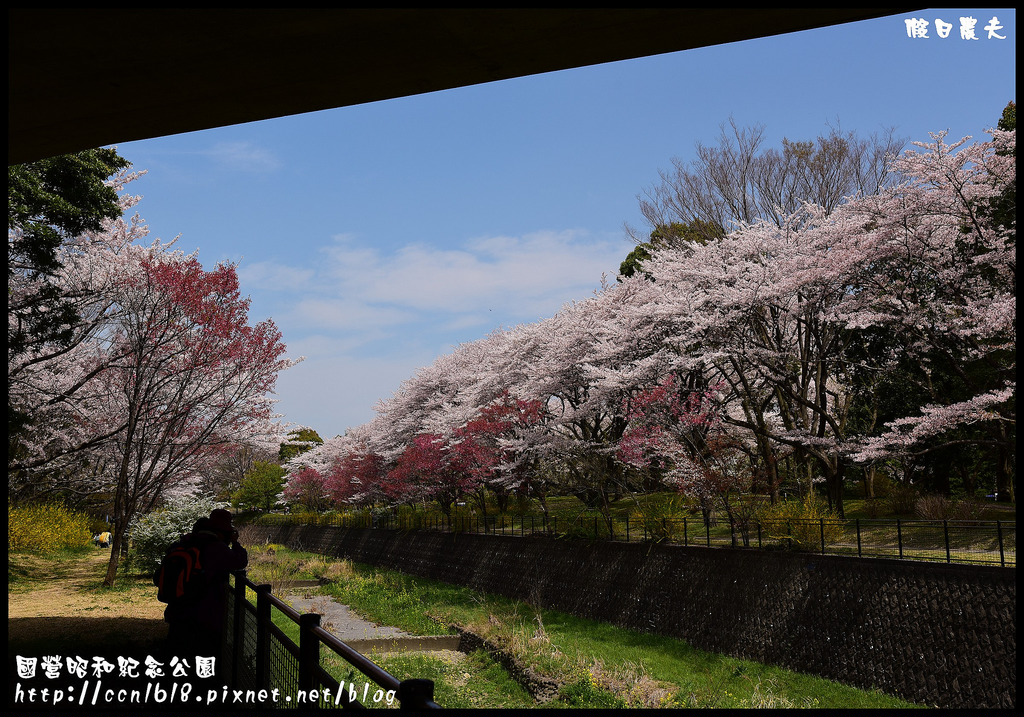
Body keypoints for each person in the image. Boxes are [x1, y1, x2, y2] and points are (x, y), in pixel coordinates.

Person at [164, 509, 248, 661]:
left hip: (177, 609)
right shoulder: (216, 548)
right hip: (205, 613)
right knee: (204, 656)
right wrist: (236, 543)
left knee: (177, 656)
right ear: (223, 532)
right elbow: (240, 561)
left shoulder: (186, 541)